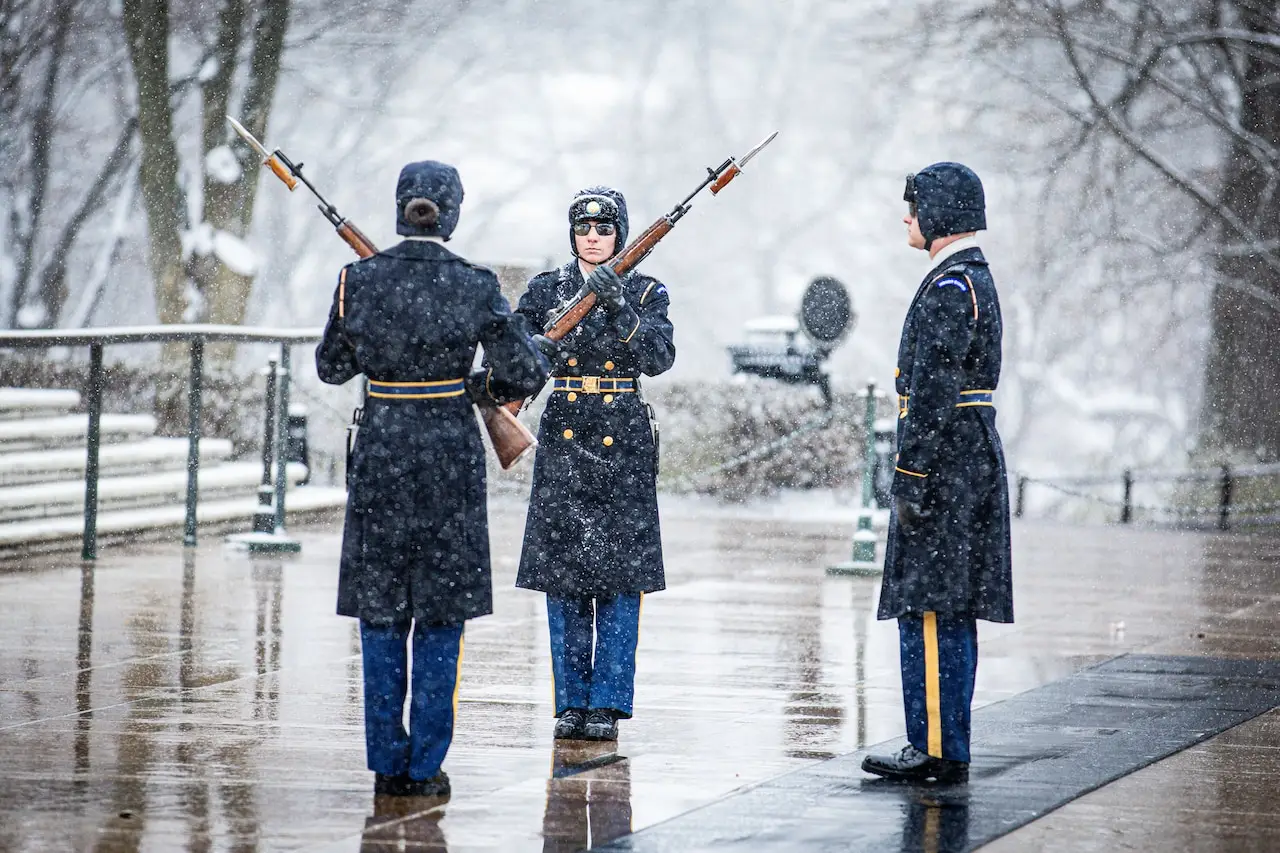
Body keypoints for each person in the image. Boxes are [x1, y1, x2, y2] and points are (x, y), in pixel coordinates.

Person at [316, 160, 549, 797]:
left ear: (400, 206)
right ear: (452, 212)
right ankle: (426, 765)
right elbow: (526, 371)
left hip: (383, 451)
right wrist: (475, 383)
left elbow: (333, 367)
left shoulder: (357, 278)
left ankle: (387, 763)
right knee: (442, 615)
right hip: (448, 454)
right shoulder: (476, 284)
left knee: (382, 612)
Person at [861, 162, 1013, 784]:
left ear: (940, 214)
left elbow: (932, 392)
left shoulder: (951, 285)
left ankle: (935, 747)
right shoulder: (966, 279)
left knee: (928, 608)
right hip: (965, 456)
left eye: (915, 205)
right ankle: (942, 740)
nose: (906, 216)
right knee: (947, 608)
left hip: (946, 462)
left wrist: (911, 474)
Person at [514, 186, 676, 742]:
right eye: (583, 228)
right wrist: (541, 351)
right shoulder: (546, 290)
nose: (592, 237)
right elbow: (511, 361)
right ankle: (570, 701)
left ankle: (607, 701)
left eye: (604, 229)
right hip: (565, 430)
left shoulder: (647, 290)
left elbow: (658, 357)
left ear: (620, 234)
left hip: (622, 435)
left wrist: (620, 307)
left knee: (619, 578)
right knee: (563, 577)